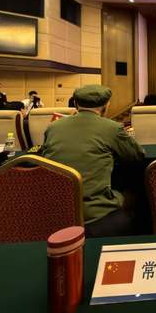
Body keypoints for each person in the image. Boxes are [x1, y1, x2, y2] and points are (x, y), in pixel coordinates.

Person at [41, 85, 145, 237]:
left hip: (55, 212)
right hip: (97, 216)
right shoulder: (111, 128)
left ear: (75, 104)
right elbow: (137, 155)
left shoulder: (54, 127)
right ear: (106, 106)